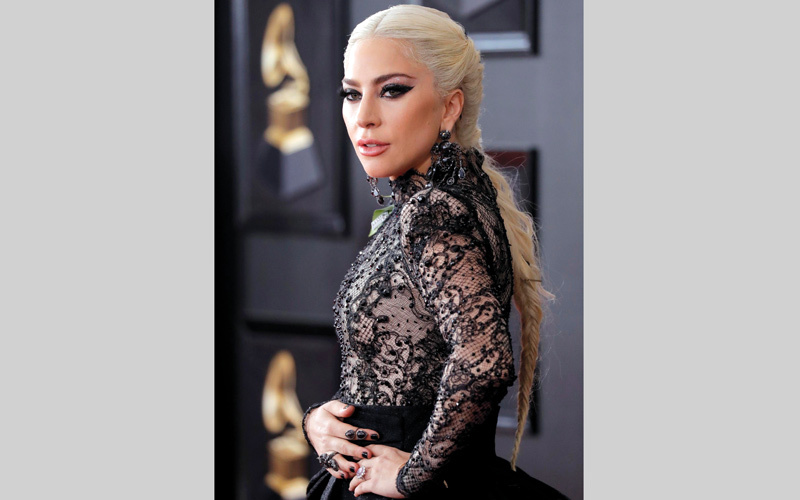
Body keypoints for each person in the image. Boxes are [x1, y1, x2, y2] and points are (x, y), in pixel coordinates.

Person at [302, 5, 567, 499]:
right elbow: (389, 372)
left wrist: (411, 476)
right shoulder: (453, 197)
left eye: (392, 90)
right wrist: (319, 422)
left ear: (449, 107)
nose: (364, 117)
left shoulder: (432, 210)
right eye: (352, 93)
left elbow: (484, 362)